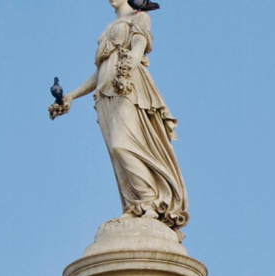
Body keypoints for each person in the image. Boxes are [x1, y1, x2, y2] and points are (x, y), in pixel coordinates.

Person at [53, 0, 188, 230]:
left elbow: (137, 48)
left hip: (128, 88)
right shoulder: (109, 27)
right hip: (105, 96)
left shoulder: (139, 18)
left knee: (122, 145)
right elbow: (100, 71)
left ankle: (151, 203)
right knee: (116, 154)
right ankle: (135, 206)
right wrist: (72, 96)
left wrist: (127, 70)